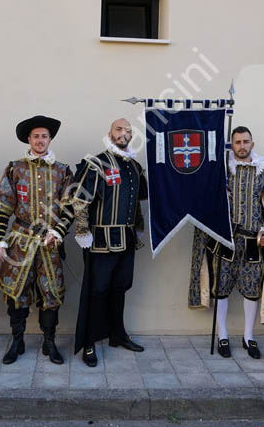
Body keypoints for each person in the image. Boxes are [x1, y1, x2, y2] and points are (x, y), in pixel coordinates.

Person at [189, 126, 264, 359]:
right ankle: (222, 334)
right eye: (237, 142)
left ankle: (248, 336)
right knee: (221, 289)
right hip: (225, 239)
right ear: (232, 145)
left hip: (253, 240)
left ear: (253, 143)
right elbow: (205, 201)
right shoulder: (221, 171)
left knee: (252, 291)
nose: (242, 146)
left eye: (245, 142)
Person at [0, 115, 73, 365]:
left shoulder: (62, 171)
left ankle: (49, 342)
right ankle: (17, 341)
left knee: (52, 293)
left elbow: (70, 208)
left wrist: (57, 232)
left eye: (44, 136)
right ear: (29, 139)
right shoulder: (15, 168)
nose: (40, 140)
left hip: (50, 243)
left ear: (50, 139)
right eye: (36, 136)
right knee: (17, 294)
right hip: (20, 241)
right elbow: (3, 207)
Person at [71, 118, 148, 367]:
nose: (123, 134)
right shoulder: (96, 163)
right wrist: (83, 231)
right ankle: (90, 342)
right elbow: (80, 200)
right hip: (100, 241)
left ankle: (117, 334)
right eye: (119, 130)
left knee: (120, 287)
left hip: (126, 240)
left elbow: (137, 201)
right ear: (110, 133)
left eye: (127, 131)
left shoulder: (134, 166)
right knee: (97, 291)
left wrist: (138, 228)